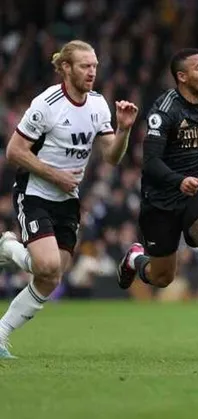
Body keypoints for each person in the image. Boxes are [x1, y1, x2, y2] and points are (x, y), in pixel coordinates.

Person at [0, 40, 139, 359]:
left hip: (68, 200)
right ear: (66, 68)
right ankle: (8, 251)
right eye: (84, 66)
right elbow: (14, 151)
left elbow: (111, 158)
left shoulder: (98, 105)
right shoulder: (46, 104)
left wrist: (124, 131)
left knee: (52, 275)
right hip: (35, 192)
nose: (91, 72)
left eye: (94, 66)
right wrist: (54, 175)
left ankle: (1, 322)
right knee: (47, 265)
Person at [116, 48, 198, 356]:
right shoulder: (165, 110)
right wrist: (178, 180)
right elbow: (150, 163)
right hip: (161, 199)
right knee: (162, 277)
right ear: (182, 77)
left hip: (197, 191)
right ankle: (135, 259)